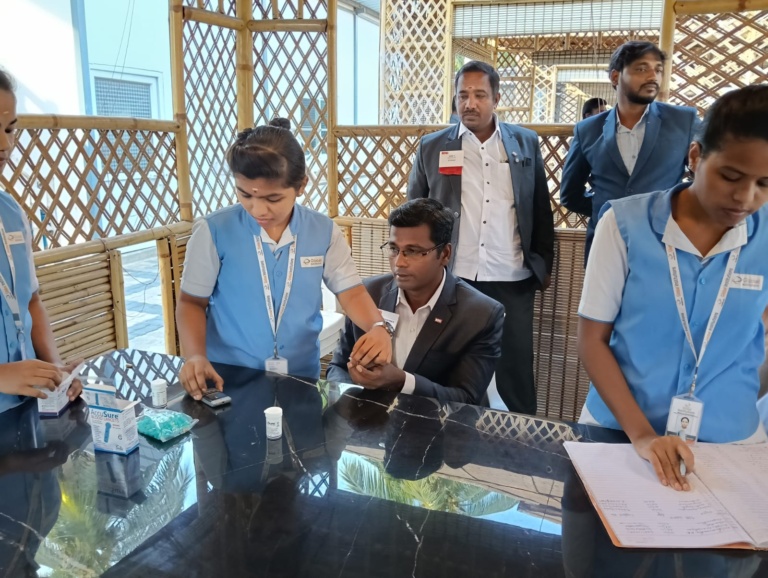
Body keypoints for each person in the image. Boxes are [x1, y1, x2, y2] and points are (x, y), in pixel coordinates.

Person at [577, 85, 768, 491]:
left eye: (765, 183)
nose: (745, 197)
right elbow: (592, 340)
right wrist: (643, 436)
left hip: (731, 443)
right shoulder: (624, 225)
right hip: (619, 435)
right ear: (695, 157)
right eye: (730, 176)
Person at [177, 119, 393, 399]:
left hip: (301, 378)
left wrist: (377, 327)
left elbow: (350, 291)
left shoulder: (323, 231)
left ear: (302, 185)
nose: (258, 209)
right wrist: (195, 355)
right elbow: (191, 303)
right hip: (228, 378)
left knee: (302, 428)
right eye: (245, 194)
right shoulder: (214, 231)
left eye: (273, 198)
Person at [407, 60, 554, 415]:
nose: (469, 103)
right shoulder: (432, 147)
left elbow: (540, 209)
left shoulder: (525, 143)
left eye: (479, 95)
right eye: (463, 95)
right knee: (448, 366)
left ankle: (520, 441)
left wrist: (542, 266)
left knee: (514, 372)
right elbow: (414, 212)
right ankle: (445, 435)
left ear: (496, 98)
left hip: (511, 276)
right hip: (453, 277)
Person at [327, 198, 504, 405]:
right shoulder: (367, 294)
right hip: (369, 418)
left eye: (413, 251)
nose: (399, 262)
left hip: (438, 422)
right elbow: (337, 367)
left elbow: (466, 399)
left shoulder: (480, 314)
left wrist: (402, 381)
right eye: (394, 249)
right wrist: (353, 393)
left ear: (445, 254)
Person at [560, 41, 700, 261]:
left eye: (658, 69)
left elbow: (705, 178)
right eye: (641, 69)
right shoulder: (587, 130)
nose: (653, 76)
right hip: (605, 246)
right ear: (615, 77)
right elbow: (570, 194)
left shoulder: (683, 121)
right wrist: (606, 210)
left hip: (664, 247)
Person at [0, 69, 82, 413]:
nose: (5, 145)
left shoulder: (12, 214)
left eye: (9, 129)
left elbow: (31, 301)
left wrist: (55, 369)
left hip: (28, 411)